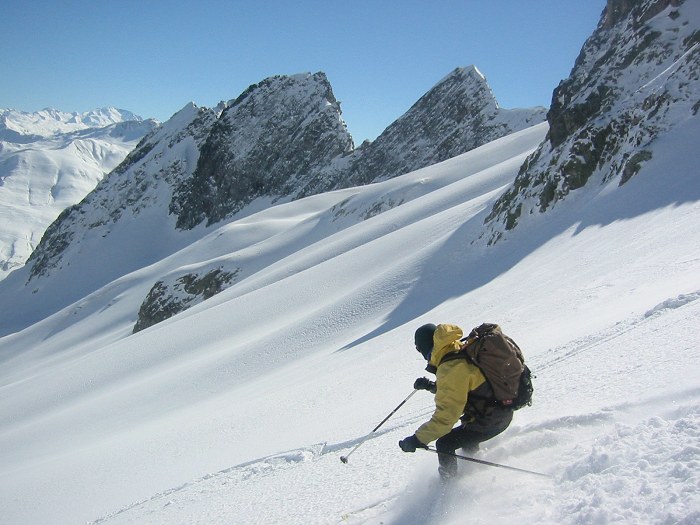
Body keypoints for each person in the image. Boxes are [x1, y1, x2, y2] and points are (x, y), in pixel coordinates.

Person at [398, 323, 514, 479]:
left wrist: (417, 439)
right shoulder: (458, 350)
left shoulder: (449, 368)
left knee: (445, 444)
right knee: (466, 435)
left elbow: (445, 418)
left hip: (491, 420)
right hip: (499, 411)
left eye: (419, 349)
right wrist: (431, 386)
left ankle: (449, 487)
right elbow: (463, 388)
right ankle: (474, 471)